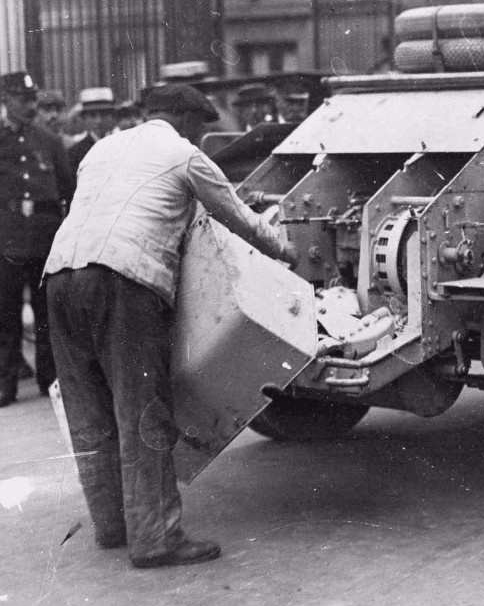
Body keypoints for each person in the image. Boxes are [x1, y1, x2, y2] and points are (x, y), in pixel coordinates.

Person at [44, 83, 299, 566]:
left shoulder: (100, 150)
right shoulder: (186, 156)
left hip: (59, 278)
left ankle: (112, 527)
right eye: (202, 128)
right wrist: (287, 253)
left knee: (89, 412)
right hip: (125, 282)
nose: (202, 137)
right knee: (143, 412)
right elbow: (239, 220)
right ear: (188, 122)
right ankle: (156, 538)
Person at [1, 72, 74, 408]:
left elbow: (68, 191)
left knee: (48, 310)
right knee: (6, 311)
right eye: (23, 99)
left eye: (32, 98)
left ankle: (50, 377)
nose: (30, 105)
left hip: (46, 234)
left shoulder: (49, 140)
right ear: (6, 99)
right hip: (7, 236)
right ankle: (5, 382)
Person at [68, 87, 117, 173]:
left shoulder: (121, 144)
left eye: (104, 115)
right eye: (92, 116)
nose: (99, 121)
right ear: (84, 119)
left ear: (112, 116)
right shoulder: (76, 152)